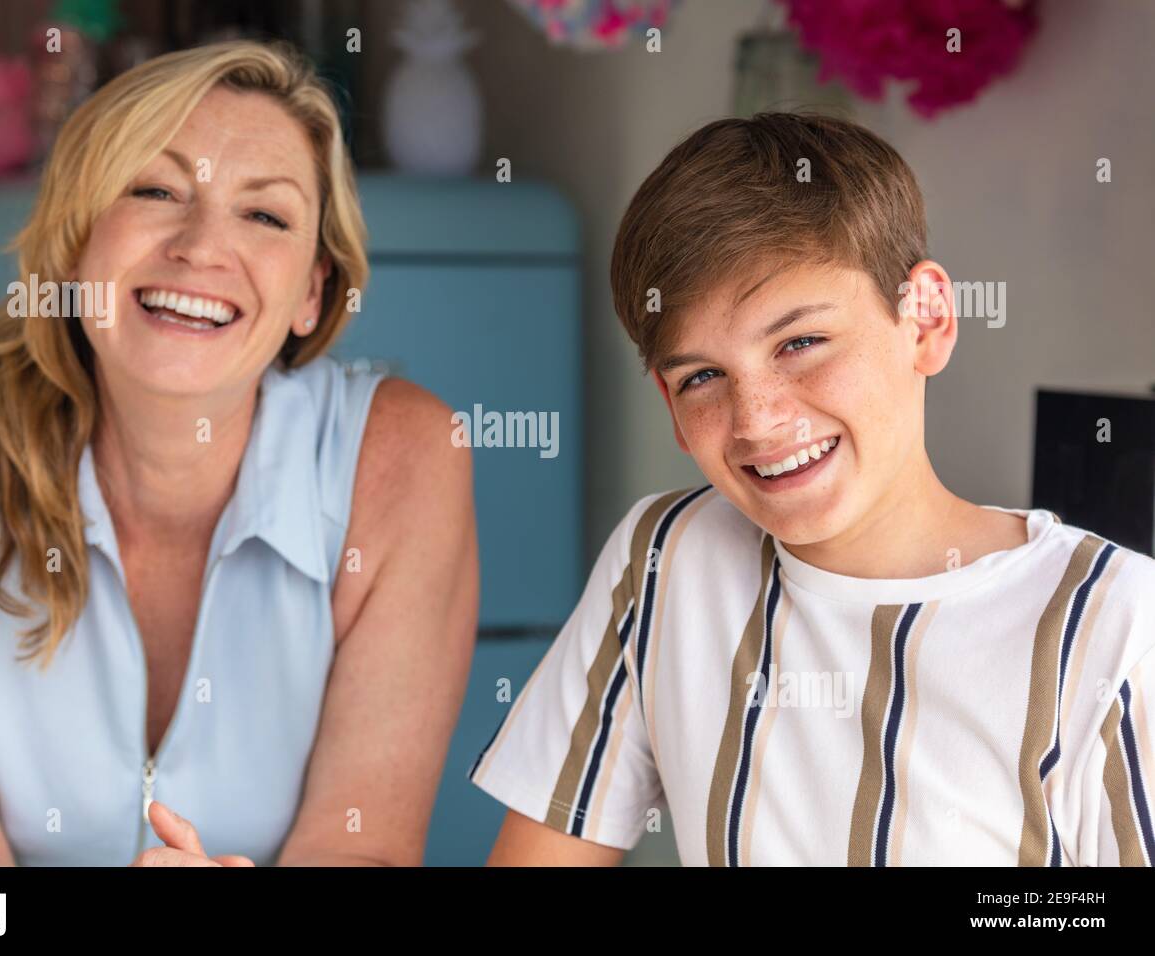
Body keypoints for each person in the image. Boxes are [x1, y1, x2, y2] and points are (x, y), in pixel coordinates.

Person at [469, 113, 1155, 866]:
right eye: (702, 377)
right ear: (671, 408)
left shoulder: (1117, 627)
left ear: (925, 321)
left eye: (799, 343)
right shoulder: (665, 561)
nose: (757, 420)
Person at [0, 40, 478, 867]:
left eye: (265, 215)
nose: (201, 245)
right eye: (155, 189)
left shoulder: (404, 460)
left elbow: (363, 849)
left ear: (312, 292)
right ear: (77, 244)